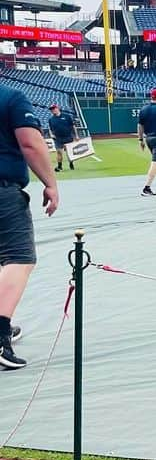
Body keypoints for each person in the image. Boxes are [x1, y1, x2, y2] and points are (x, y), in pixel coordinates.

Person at [1, 83, 60, 370]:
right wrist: (51, 183)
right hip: (3, 191)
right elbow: (30, 144)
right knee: (19, 258)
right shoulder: (10, 97)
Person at [47, 102, 76, 172]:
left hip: (68, 136)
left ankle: (71, 163)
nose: (53, 110)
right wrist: (51, 134)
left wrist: (76, 135)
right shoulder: (51, 119)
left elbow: (73, 126)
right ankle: (60, 166)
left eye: (54, 109)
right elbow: (50, 129)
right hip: (58, 138)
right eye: (51, 109)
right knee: (59, 152)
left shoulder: (67, 116)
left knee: (69, 152)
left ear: (57, 108)